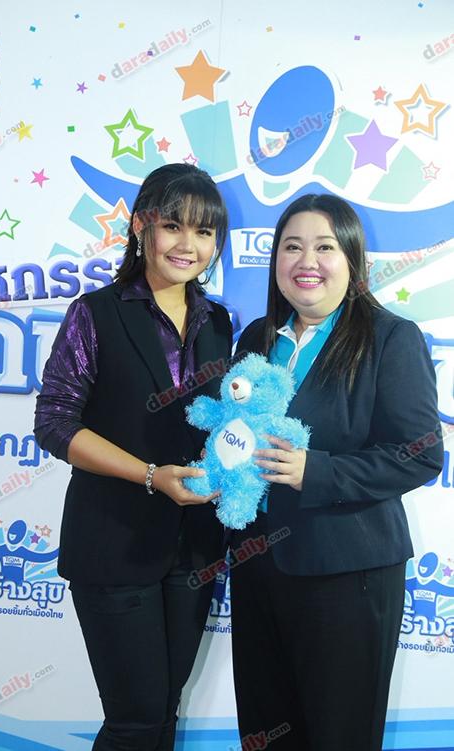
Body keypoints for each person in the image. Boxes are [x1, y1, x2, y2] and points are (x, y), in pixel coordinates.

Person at [230, 193, 443, 751]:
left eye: (325, 247)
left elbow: (420, 453)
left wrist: (315, 472)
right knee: (264, 730)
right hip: (258, 566)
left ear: (352, 259)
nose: (307, 261)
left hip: (348, 574)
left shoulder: (390, 337)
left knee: (339, 734)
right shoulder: (256, 338)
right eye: (292, 247)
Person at [34, 163, 232, 751]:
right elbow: (55, 422)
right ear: (142, 227)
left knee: (165, 710)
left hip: (195, 548)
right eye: (173, 226)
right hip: (112, 544)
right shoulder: (95, 312)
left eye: (204, 232)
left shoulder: (219, 321)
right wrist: (150, 475)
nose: (188, 245)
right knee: (136, 720)